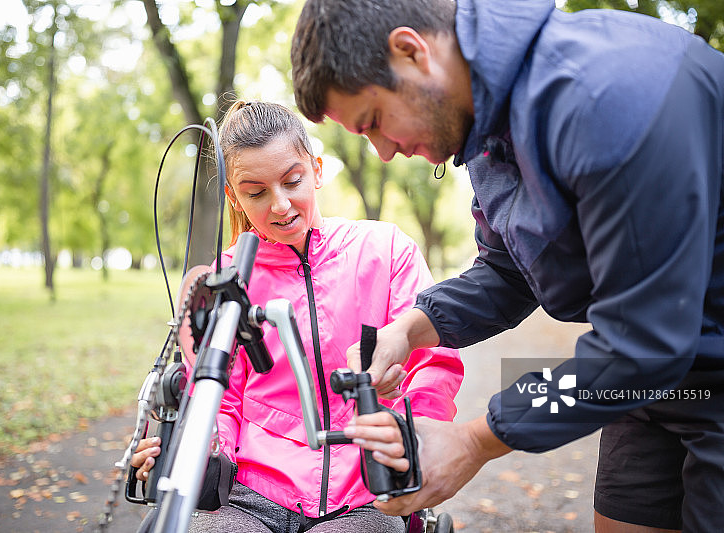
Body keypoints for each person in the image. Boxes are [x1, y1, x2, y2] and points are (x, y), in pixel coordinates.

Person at [290, 1, 724, 532]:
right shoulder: (486, 129)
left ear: (411, 52)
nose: (383, 152)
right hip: (649, 384)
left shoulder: (605, 99)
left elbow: (643, 345)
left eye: (375, 121)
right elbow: (510, 270)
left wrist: (474, 440)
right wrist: (410, 328)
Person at [130, 100, 463, 533]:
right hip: (249, 494)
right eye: (257, 192)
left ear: (317, 170)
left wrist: (412, 440)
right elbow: (221, 398)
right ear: (234, 195)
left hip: (363, 491)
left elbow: (433, 363)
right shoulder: (224, 279)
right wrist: (193, 451)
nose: (281, 205)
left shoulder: (385, 251)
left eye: (292, 181)